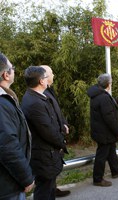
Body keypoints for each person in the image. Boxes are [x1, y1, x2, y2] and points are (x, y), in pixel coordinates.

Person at [21, 66, 68, 199]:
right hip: (44, 156)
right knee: (44, 191)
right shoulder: (35, 102)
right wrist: (62, 141)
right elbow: (48, 131)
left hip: (47, 155)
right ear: (42, 81)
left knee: (49, 189)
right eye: (47, 77)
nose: (49, 79)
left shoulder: (37, 97)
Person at [0, 53, 34, 200]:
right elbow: (7, 145)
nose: (14, 71)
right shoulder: (1, 103)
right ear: (6, 74)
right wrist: (26, 177)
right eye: (12, 68)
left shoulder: (6, 100)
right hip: (7, 186)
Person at [87, 73, 118, 187]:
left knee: (111, 151)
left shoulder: (97, 93)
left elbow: (105, 102)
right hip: (104, 132)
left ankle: (116, 171)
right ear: (108, 84)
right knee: (102, 156)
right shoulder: (103, 97)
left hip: (101, 131)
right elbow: (109, 118)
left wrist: (116, 100)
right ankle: (97, 179)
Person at [41, 65, 71, 197]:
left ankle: (53, 188)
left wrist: (64, 123)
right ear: (44, 77)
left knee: (53, 168)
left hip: (58, 133)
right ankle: (51, 189)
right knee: (48, 173)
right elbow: (48, 120)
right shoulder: (42, 94)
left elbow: (56, 111)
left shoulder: (49, 90)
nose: (53, 75)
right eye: (51, 73)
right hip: (48, 143)